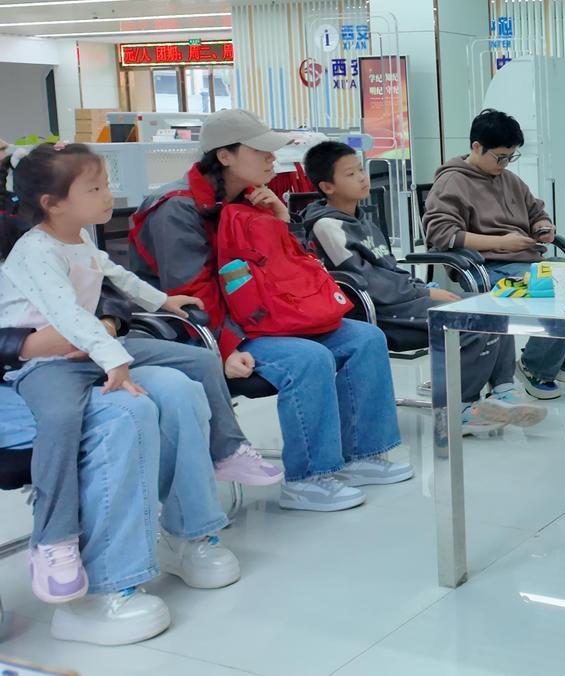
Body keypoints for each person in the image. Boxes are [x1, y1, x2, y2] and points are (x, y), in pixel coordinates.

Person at [0, 144, 279, 603]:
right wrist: (113, 358)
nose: (108, 195)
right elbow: (67, 315)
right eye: (95, 189)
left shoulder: (77, 237)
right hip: (47, 363)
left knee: (196, 365)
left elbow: (116, 277)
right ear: (53, 203)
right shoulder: (34, 251)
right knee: (65, 420)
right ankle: (55, 538)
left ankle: (226, 453)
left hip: (92, 346)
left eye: (105, 185)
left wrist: (162, 301)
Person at [130, 109, 410, 513]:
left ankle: (364, 454)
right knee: (308, 358)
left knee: (365, 338)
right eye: (260, 151)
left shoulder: (252, 198)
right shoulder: (177, 209)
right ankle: (309, 479)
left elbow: (290, 265)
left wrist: (280, 219)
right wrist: (227, 347)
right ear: (224, 155)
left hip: (264, 314)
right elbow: (192, 295)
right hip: (207, 329)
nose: (271, 158)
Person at [0, 251, 240, 645]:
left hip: (80, 355)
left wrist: (106, 323)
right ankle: (96, 591)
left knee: (179, 389)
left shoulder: (33, 233)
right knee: (124, 413)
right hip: (21, 375)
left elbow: (102, 286)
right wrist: (29, 344)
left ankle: (186, 534)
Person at [301, 140, 546, 435]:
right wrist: (424, 292)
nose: (363, 178)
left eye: (360, 170)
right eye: (351, 174)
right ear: (327, 186)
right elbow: (367, 283)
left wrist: (419, 287)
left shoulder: (362, 219)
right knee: (470, 322)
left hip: (402, 300)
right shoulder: (328, 226)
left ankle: (503, 388)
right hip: (381, 312)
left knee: (491, 305)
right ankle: (458, 409)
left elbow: (389, 269)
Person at [422, 109, 565, 399]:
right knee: (559, 289)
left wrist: (542, 227)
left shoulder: (509, 180)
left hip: (525, 260)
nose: (504, 164)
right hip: (487, 266)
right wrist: (501, 243)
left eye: (510, 157)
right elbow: (443, 234)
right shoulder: (452, 182)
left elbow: (536, 212)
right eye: (500, 157)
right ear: (476, 146)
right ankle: (534, 367)